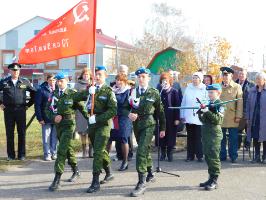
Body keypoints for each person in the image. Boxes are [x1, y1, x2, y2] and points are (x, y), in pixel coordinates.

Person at [46, 72, 88, 191]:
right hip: (58, 125)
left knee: (61, 150)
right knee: (68, 148)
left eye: (62, 81)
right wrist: (53, 117)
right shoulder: (53, 94)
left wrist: (89, 119)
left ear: (67, 81)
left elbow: (82, 107)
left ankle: (57, 178)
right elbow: (47, 109)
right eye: (58, 81)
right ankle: (76, 171)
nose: (59, 83)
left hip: (69, 124)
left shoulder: (72, 93)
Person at [128, 67, 166, 197]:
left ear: (149, 78)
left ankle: (141, 182)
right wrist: (129, 114)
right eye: (139, 77)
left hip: (149, 124)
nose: (141, 79)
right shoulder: (133, 92)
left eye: (144, 76)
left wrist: (163, 128)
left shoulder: (154, 92)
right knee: (145, 150)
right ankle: (150, 172)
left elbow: (160, 112)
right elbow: (126, 107)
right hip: (137, 125)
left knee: (141, 151)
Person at [86, 66, 117, 193]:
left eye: (99, 75)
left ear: (105, 76)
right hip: (92, 125)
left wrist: (97, 118)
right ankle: (109, 172)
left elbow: (113, 110)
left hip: (103, 124)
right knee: (101, 150)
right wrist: (88, 93)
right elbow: (84, 104)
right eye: (95, 75)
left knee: (97, 152)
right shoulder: (92, 90)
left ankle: (95, 181)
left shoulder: (108, 91)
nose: (97, 77)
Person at [0, 63, 36, 161]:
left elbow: (34, 93)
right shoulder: (4, 82)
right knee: (9, 133)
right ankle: (10, 155)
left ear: (19, 71)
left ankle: (21, 155)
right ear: (10, 71)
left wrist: (28, 105)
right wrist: (0, 104)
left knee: (22, 133)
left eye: (17, 70)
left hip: (21, 110)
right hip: (8, 111)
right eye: (13, 70)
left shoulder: (25, 81)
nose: (15, 72)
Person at [198, 84, 224, 191]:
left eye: (212, 92)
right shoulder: (209, 103)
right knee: (208, 156)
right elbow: (203, 120)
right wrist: (201, 112)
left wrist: (207, 111)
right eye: (209, 92)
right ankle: (210, 178)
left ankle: (214, 180)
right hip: (206, 134)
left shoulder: (220, 104)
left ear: (218, 93)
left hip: (214, 134)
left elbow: (218, 120)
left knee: (214, 157)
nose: (210, 94)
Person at [107, 73, 132, 171]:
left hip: (124, 118)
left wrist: (113, 94)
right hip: (113, 117)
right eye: (117, 80)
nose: (118, 82)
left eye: (121, 80)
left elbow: (122, 102)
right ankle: (105, 161)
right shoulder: (112, 90)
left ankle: (125, 161)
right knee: (109, 138)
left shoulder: (128, 91)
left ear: (125, 81)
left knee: (123, 138)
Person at [180, 72, 207, 162]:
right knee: (190, 137)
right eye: (193, 78)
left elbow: (206, 102)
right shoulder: (188, 88)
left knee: (198, 137)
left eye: (196, 78)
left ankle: (200, 155)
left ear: (200, 79)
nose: (194, 80)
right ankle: (190, 156)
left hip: (199, 117)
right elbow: (183, 102)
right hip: (188, 116)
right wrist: (182, 114)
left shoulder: (204, 89)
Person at [220, 67, 243, 163]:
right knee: (221, 138)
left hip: (232, 117)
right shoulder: (218, 86)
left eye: (226, 75)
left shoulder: (237, 86)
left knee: (233, 138)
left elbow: (240, 102)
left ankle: (233, 156)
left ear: (231, 75)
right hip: (220, 116)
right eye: (223, 75)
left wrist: (238, 116)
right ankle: (222, 155)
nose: (224, 76)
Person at [159, 72, 182, 162]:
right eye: (162, 81)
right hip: (161, 118)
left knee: (170, 136)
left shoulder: (174, 92)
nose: (164, 83)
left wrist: (177, 118)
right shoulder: (159, 92)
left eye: (166, 81)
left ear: (169, 81)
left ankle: (169, 153)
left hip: (171, 118)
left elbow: (177, 106)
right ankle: (163, 153)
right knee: (161, 136)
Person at [35, 74, 57, 161]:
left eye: (54, 80)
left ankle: (53, 152)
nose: (52, 82)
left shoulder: (58, 90)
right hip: (46, 118)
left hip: (56, 118)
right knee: (46, 137)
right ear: (47, 80)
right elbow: (37, 105)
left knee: (55, 137)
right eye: (51, 80)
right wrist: (40, 118)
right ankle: (47, 153)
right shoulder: (41, 90)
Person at [245, 72, 266, 163]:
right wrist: (247, 117)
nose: (257, 80)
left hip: (264, 119)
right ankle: (257, 156)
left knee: (265, 137)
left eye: (259, 79)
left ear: (264, 80)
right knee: (255, 137)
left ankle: (265, 156)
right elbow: (248, 105)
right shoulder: (252, 90)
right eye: (257, 79)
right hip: (254, 118)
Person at [74, 68, 93, 158]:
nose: (86, 76)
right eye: (85, 74)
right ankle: (84, 150)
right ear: (82, 75)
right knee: (82, 132)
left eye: (88, 75)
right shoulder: (77, 85)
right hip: (81, 111)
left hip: (91, 111)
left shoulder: (93, 84)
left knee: (91, 131)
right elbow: (75, 97)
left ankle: (90, 150)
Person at [235, 68, 254, 149]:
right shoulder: (234, 83)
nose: (241, 75)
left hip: (247, 110)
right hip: (236, 110)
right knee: (237, 129)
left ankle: (247, 145)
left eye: (243, 74)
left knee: (248, 129)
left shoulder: (251, 85)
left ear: (246, 75)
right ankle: (238, 145)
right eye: (240, 74)